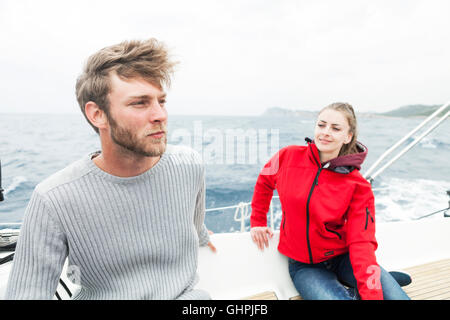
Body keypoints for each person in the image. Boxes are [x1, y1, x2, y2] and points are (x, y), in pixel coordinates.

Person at [5, 38, 216, 300]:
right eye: (140, 103)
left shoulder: (190, 165)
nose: (160, 114)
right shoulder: (54, 198)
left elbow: (194, 228)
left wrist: (204, 236)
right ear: (97, 115)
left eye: (161, 101)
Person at [250, 102, 410, 300]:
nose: (325, 132)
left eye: (335, 128)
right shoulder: (287, 156)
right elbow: (265, 180)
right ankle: (369, 284)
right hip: (305, 266)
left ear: (348, 136)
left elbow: (362, 243)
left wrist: (372, 294)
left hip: (344, 258)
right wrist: (258, 221)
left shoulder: (358, 184)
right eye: (321, 125)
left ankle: (373, 283)